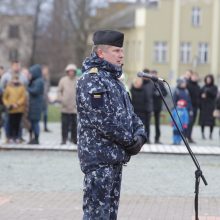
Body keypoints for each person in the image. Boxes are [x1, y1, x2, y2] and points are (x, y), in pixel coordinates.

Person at [76, 30, 147, 220]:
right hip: (99, 160)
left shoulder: (115, 82)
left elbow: (130, 115)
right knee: (96, 215)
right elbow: (104, 121)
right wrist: (130, 142)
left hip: (114, 158)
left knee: (109, 215)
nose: (121, 55)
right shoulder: (91, 80)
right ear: (101, 53)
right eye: (116, 51)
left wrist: (140, 135)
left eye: (122, 51)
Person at [57, 63, 77, 145]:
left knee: (74, 125)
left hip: (74, 108)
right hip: (65, 107)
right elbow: (59, 91)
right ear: (67, 72)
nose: (71, 72)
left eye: (73, 71)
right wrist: (61, 99)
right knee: (64, 125)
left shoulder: (78, 80)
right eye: (69, 71)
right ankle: (64, 139)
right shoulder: (63, 80)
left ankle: (74, 139)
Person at [2, 75, 26, 143]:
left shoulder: (22, 87)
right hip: (11, 109)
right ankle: (11, 137)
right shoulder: (8, 87)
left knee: (18, 123)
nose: (15, 81)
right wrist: (8, 104)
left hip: (19, 109)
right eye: (14, 79)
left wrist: (17, 104)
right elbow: (4, 98)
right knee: (11, 123)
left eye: (17, 79)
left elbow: (23, 97)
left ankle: (18, 137)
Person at [28, 64, 44, 144]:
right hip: (33, 105)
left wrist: (27, 88)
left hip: (36, 105)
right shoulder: (36, 80)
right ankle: (33, 138)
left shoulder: (39, 81)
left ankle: (36, 139)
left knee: (35, 123)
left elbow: (35, 91)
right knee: (32, 122)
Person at [199, 74, 218, 139]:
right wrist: (202, 96)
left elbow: (214, 95)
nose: (208, 80)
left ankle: (210, 134)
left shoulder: (214, 87)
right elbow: (199, 94)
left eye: (209, 79)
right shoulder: (203, 87)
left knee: (211, 121)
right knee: (203, 121)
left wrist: (207, 92)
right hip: (204, 106)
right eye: (207, 79)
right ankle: (202, 134)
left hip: (211, 106)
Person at [151, 70, 167, 144]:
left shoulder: (160, 83)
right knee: (147, 123)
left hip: (158, 106)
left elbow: (165, 93)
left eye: (155, 74)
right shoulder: (149, 83)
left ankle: (157, 138)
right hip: (150, 106)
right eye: (152, 74)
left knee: (157, 123)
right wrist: (153, 94)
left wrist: (159, 93)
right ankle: (147, 138)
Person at [186, 72, 201, 143]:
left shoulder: (198, 86)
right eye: (193, 76)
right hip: (189, 106)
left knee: (192, 122)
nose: (195, 78)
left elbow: (199, 96)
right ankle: (186, 136)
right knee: (188, 122)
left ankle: (189, 136)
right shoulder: (188, 85)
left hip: (195, 107)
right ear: (191, 77)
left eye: (196, 76)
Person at [142, 68, 154, 143]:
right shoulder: (140, 83)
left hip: (148, 108)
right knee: (139, 125)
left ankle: (148, 139)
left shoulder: (152, 84)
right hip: (140, 108)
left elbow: (152, 96)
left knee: (147, 125)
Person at [42, 65, 51, 132]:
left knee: (46, 114)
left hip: (45, 98)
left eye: (46, 70)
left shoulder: (47, 79)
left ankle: (45, 127)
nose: (46, 71)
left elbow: (48, 89)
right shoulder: (40, 79)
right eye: (44, 70)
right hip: (40, 99)